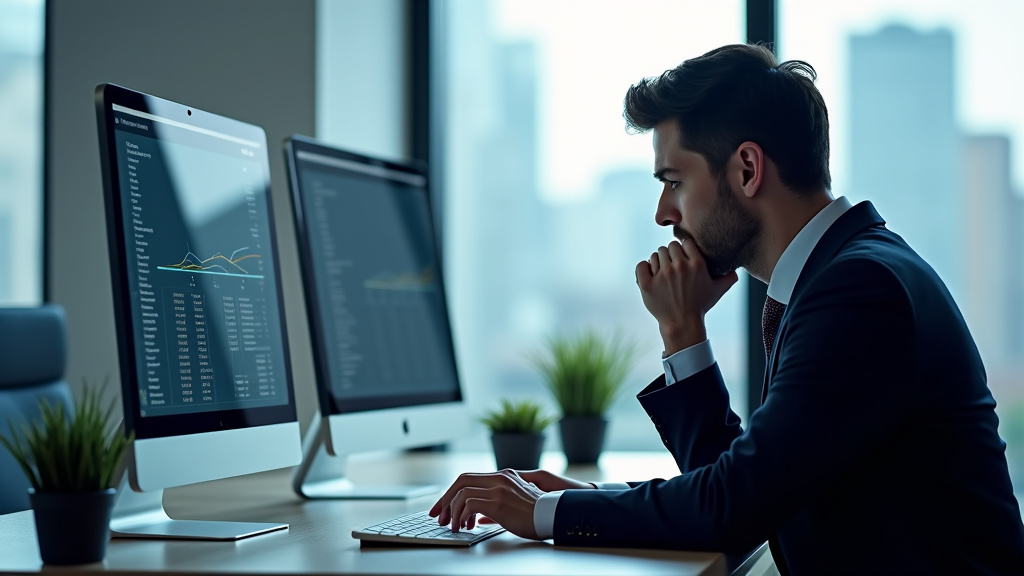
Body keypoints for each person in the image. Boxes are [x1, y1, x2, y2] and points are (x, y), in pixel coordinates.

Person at [429, 43, 1024, 574]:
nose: (664, 214)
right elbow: (747, 487)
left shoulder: (859, 292)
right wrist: (682, 330)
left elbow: (733, 509)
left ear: (746, 168)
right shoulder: (840, 275)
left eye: (674, 181)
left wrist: (546, 512)